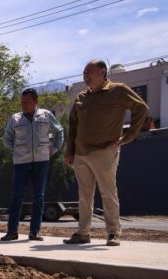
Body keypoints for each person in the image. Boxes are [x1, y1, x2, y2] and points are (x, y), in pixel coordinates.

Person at [63, 60, 149, 246]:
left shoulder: (118, 91)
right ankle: (83, 233)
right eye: (84, 72)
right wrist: (70, 151)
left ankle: (113, 233)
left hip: (104, 151)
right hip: (81, 153)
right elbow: (73, 127)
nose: (85, 75)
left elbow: (141, 108)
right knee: (84, 196)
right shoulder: (81, 97)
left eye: (89, 72)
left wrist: (128, 136)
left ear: (102, 71)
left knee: (108, 194)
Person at [1, 88, 65, 241]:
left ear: (36, 102)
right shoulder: (15, 119)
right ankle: (12, 231)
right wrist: (18, 151)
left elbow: (59, 132)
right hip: (21, 163)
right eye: (22, 102)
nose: (23, 105)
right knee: (17, 196)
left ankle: (34, 231)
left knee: (39, 197)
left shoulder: (46, 115)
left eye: (27, 102)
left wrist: (53, 149)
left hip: (41, 162)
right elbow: (7, 139)